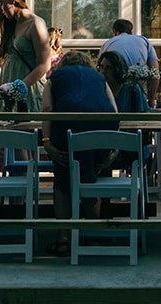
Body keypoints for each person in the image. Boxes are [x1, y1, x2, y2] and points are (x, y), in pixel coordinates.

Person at [43, 50, 119, 257]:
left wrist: (47, 141)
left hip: (66, 132)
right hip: (100, 132)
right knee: (89, 178)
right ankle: (93, 234)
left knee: (63, 182)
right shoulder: (99, 79)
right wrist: (113, 147)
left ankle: (64, 239)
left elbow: (48, 107)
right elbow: (113, 110)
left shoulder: (55, 78)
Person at [99, 50, 149, 115]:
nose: (103, 71)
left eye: (108, 68)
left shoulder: (132, 89)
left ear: (117, 69)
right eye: (101, 67)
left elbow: (144, 114)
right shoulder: (98, 89)